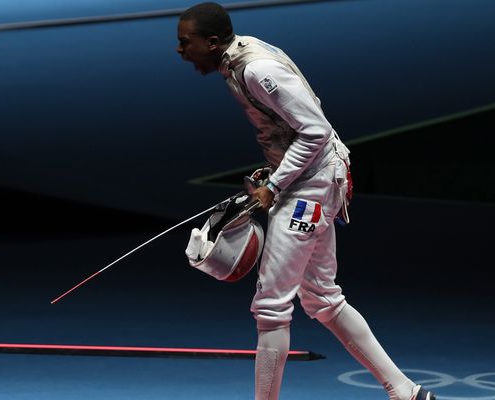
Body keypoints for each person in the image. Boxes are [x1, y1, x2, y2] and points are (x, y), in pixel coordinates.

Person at [176, 3, 436, 400]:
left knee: (271, 307)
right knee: (323, 298)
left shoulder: (256, 69)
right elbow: (293, 130)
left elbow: (315, 130)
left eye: (185, 43)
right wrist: (274, 171)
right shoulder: (237, 61)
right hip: (308, 178)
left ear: (212, 43)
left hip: (311, 186)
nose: (181, 50)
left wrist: (276, 184)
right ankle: (406, 392)